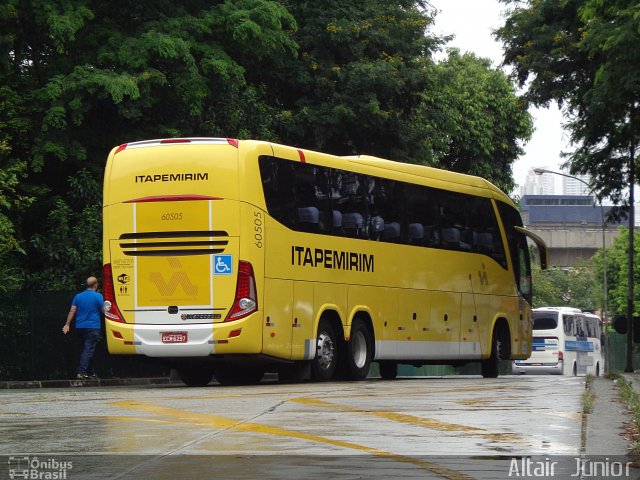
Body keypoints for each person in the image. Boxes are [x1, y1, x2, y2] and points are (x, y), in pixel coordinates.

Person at [62, 276, 103, 379]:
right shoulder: (98, 296)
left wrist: (67, 324)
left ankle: (91, 372)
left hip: (80, 327)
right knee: (88, 349)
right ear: (95, 284)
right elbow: (104, 311)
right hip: (93, 327)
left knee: (87, 349)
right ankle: (81, 372)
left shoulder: (78, 296)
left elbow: (72, 311)